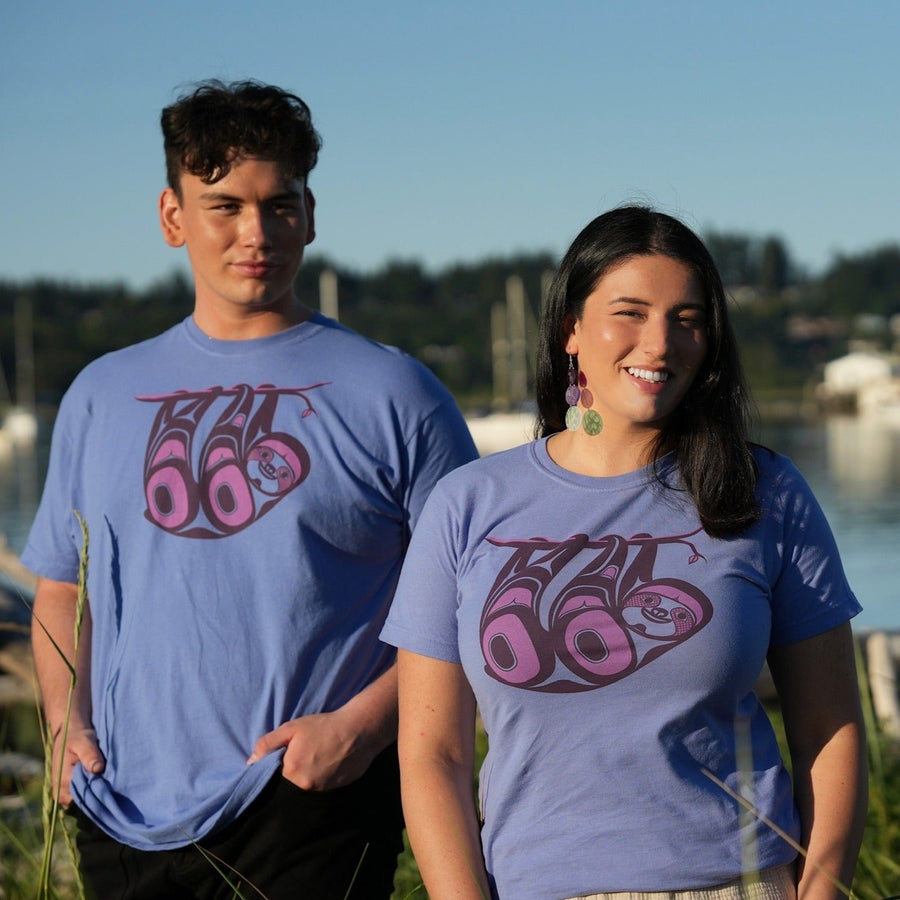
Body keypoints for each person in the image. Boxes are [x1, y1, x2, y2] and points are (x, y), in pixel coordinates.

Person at [23, 79, 477, 900]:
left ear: (311, 211)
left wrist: (361, 730)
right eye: (224, 205)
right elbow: (64, 590)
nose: (255, 232)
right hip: (120, 806)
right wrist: (65, 725)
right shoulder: (100, 393)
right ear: (172, 217)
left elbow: (480, 605)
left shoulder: (396, 394)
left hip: (311, 797)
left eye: (280, 204)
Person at [381, 206, 867, 900]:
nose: (660, 342)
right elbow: (434, 754)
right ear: (570, 329)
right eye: (630, 312)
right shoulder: (467, 505)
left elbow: (831, 729)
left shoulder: (767, 493)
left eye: (687, 318)